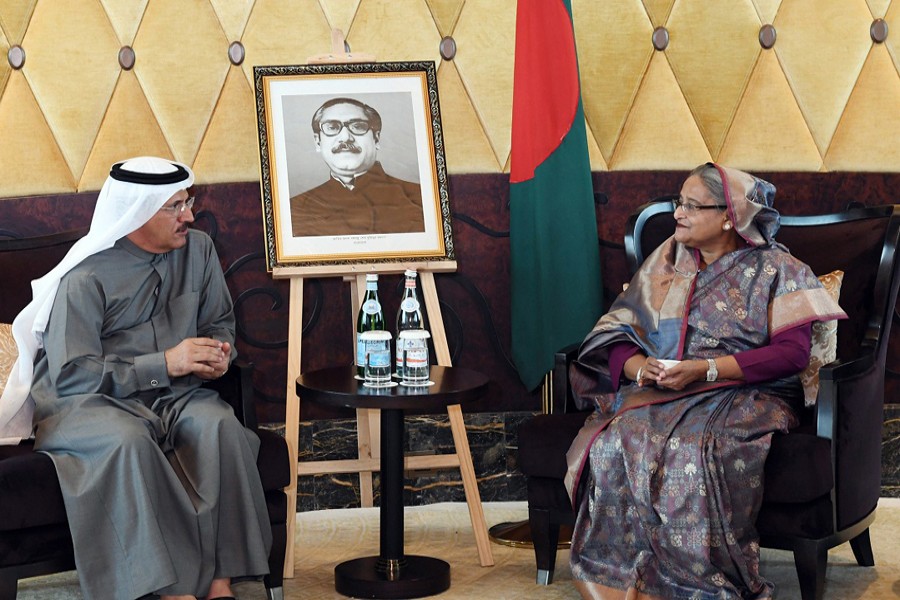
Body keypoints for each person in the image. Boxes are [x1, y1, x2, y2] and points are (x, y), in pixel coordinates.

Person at [564, 163, 846, 599]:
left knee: (697, 447)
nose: (678, 213)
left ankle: (697, 582)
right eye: (680, 202)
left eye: (693, 206)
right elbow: (619, 332)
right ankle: (619, 579)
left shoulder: (779, 268)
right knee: (613, 442)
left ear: (730, 215)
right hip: (666, 389)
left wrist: (707, 370)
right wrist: (641, 368)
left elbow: (791, 354)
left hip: (749, 392)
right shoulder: (664, 262)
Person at [0, 157, 271, 600]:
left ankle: (222, 584)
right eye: (174, 207)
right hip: (87, 403)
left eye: (188, 202)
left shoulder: (198, 250)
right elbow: (73, 374)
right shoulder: (85, 275)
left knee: (218, 426)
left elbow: (220, 321)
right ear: (136, 212)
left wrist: (220, 354)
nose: (189, 216)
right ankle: (171, 591)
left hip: (175, 394)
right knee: (127, 441)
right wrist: (166, 363)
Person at [289, 97, 425, 237]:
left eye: (358, 126)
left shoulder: (421, 199)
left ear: (376, 139)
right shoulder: (294, 209)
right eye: (332, 127)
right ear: (318, 142)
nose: (345, 137)